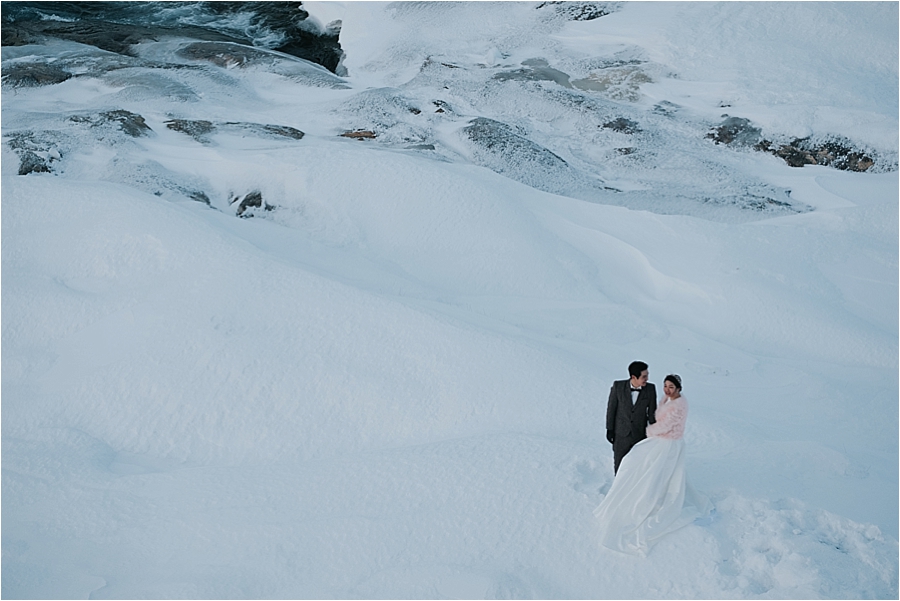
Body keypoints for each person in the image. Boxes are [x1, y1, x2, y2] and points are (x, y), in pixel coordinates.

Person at [593, 374, 711, 556]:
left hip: (667, 443)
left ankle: (649, 496)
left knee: (653, 470)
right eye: (665, 386)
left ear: (679, 388)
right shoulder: (667, 399)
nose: (667, 389)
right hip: (661, 440)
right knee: (634, 462)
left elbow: (665, 426)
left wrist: (648, 432)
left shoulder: (679, 405)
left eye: (671, 387)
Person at [606, 361, 657, 474]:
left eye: (647, 375)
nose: (647, 378)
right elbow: (611, 409)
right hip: (621, 435)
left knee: (638, 467)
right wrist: (609, 429)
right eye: (644, 376)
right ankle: (619, 489)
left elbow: (652, 413)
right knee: (619, 465)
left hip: (640, 435)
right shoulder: (618, 387)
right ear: (634, 377)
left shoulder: (650, 389)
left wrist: (656, 432)